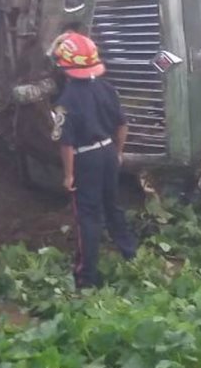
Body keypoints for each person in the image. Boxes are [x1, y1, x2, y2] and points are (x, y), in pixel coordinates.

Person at [50, 30, 137, 289]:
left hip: (86, 158)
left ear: (65, 67)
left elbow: (66, 143)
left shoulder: (65, 102)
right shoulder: (106, 88)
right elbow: (122, 125)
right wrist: (118, 152)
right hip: (109, 151)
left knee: (88, 216)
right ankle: (130, 254)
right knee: (112, 206)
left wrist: (68, 175)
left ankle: (86, 277)